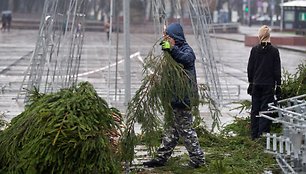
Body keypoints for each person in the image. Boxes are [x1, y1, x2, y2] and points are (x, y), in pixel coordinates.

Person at [143, 23, 205, 168]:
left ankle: (198, 160)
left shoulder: (186, 50)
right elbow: (169, 58)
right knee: (171, 131)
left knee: (186, 130)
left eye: (169, 37)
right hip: (173, 99)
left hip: (183, 99)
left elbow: (185, 59)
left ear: (176, 37)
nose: (168, 39)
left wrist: (171, 48)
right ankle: (161, 158)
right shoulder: (173, 51)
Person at [247, 25, 282, 140]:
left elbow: (250, 68)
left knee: (255, 110)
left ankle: (254, 136)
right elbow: (277, 70)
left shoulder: (254, 50)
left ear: (260, 35)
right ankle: (262, 137)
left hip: (256, 84)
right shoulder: (274, 51)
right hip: (268, 85)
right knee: (266, 111)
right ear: (269, 36)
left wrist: (250, 83)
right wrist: (278, 85)